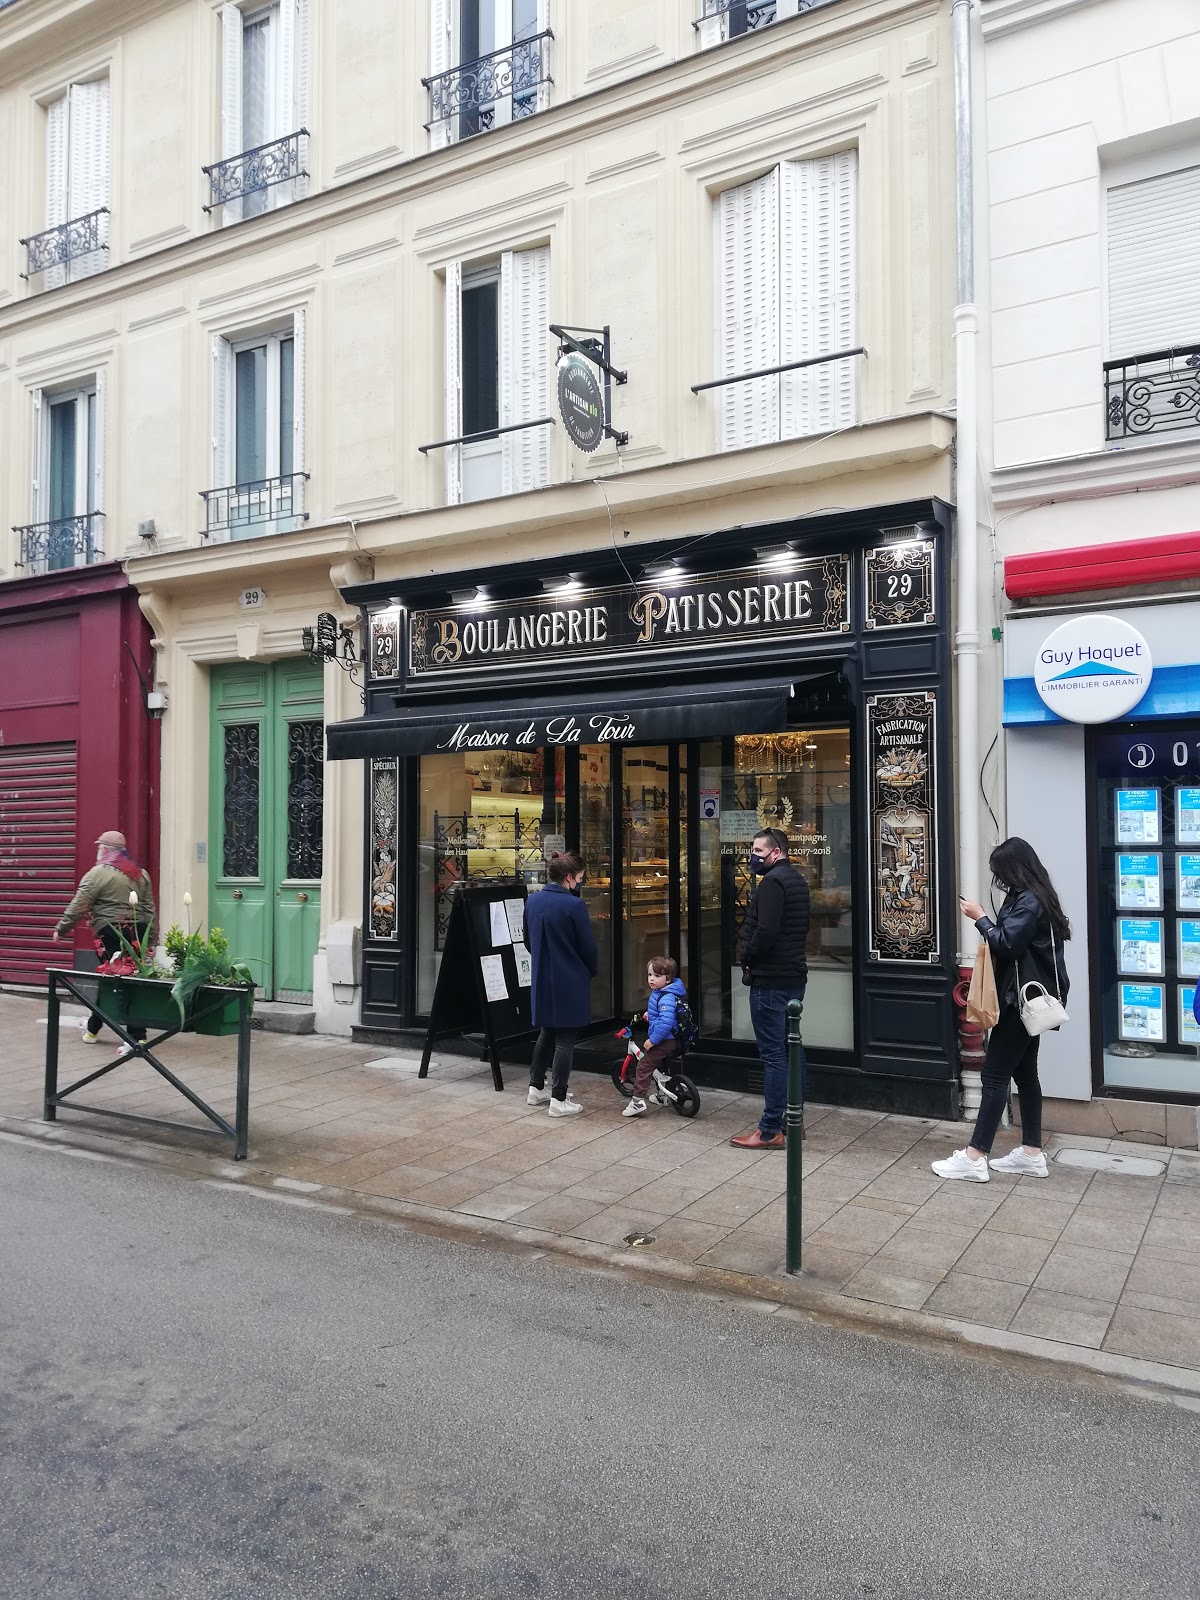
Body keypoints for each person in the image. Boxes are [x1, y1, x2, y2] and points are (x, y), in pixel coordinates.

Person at [934, 836, 1070, 1183]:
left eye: (1002, 872)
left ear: (1015, 868)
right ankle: (1031, 1153)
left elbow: (1007, 943)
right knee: (1026, 1075)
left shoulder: (1029, 901)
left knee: (994, 1075)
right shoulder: (1034, 896)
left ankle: (975, 1156)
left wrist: (980, 918)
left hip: (1018, 1000)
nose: (999, 880)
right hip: (1027, 999)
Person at [731, 827, 810, 1150]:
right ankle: (795, 1118)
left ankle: (769, 1130)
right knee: (792, 1049)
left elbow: (766, 930)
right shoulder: (796, 880)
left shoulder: (773, 883)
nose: (753, 857)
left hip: (771, 978)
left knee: (775, 1055)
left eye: (758, 851)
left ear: (776, 852)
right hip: (792, 975)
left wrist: (746, 954)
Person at [53, 829, 157, 1048]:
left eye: (99, 847)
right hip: (137, 932)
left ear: (105, 849)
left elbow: (80, 903)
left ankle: (135, 1035)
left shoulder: (98, 872)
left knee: (117, 981)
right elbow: (148, 908)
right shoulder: (140, 873)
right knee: (123, 980)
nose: (98, 850)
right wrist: (151, 938)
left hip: (110, 933)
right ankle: (93, 1027)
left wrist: (62, 929)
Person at [523, 850, 597, 1119]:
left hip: (542, 975)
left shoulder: (532, 901)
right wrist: (590, 970)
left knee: (547, 1032)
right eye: (579, 878)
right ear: (568, 878)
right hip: (570, 977)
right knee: (565, 1039)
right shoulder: (574, 906)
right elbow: (587, 947)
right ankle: (559, 1098)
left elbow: (528, 942)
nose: (580, 883)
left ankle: (535, 1087)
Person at [623, 956, 687, 1120]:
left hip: (665, 1040)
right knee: (660, 1065)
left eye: (657, 976)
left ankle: (637, 1102)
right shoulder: (662, 992)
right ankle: (661, 1096)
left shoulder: (665, 996)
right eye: (650, 974)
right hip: (673, 1039)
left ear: (668, 979)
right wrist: (650, 1014)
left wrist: (653, 1041)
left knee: (644, 1066)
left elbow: (665, 1024)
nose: (652, 978)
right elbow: (664, 1014)